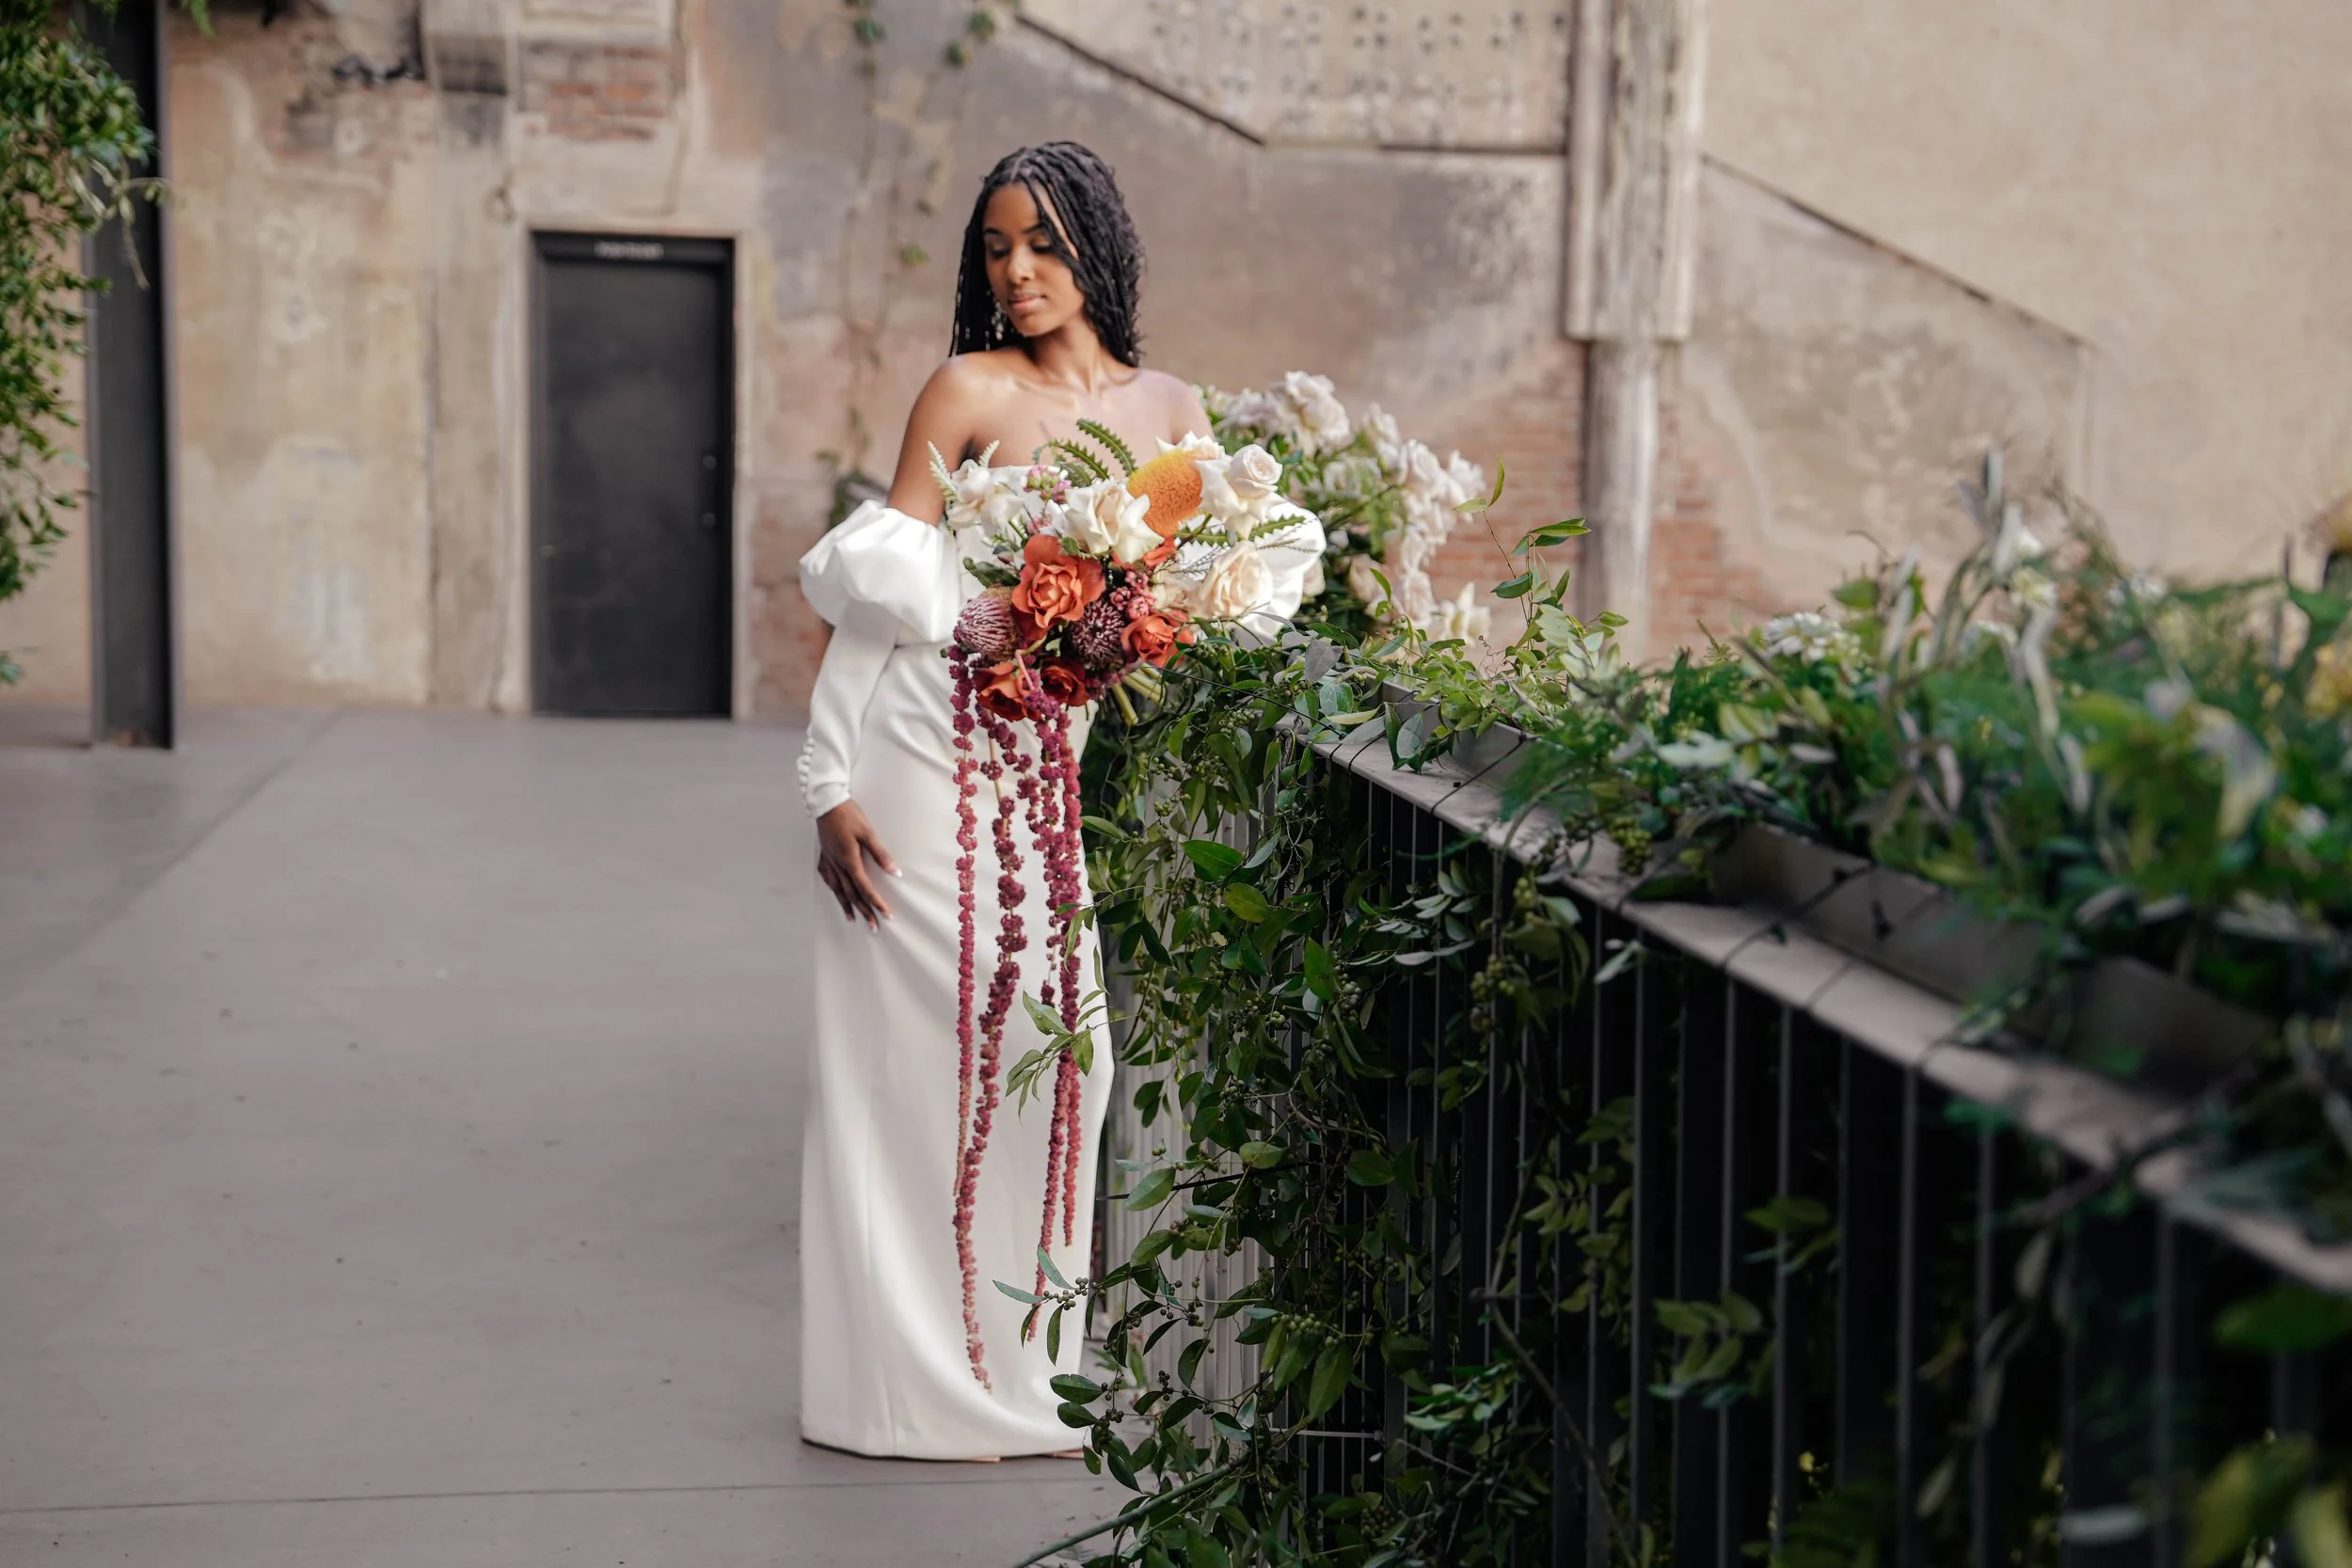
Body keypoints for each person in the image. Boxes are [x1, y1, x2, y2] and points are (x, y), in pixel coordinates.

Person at [794, 142, 1322, 1460]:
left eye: (1041, 243)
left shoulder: (1172, 410)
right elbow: (880, 604)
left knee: (1062, 1053)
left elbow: (1229, 578)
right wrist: (824, 783)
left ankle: (1031, 1379)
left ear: (1095, 245)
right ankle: (900, 1389)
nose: (1017, 272)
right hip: (920, 758)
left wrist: (1147, 625)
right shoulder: (963, 390)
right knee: (904, 1075)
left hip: (1047, 776)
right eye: (993, 248)